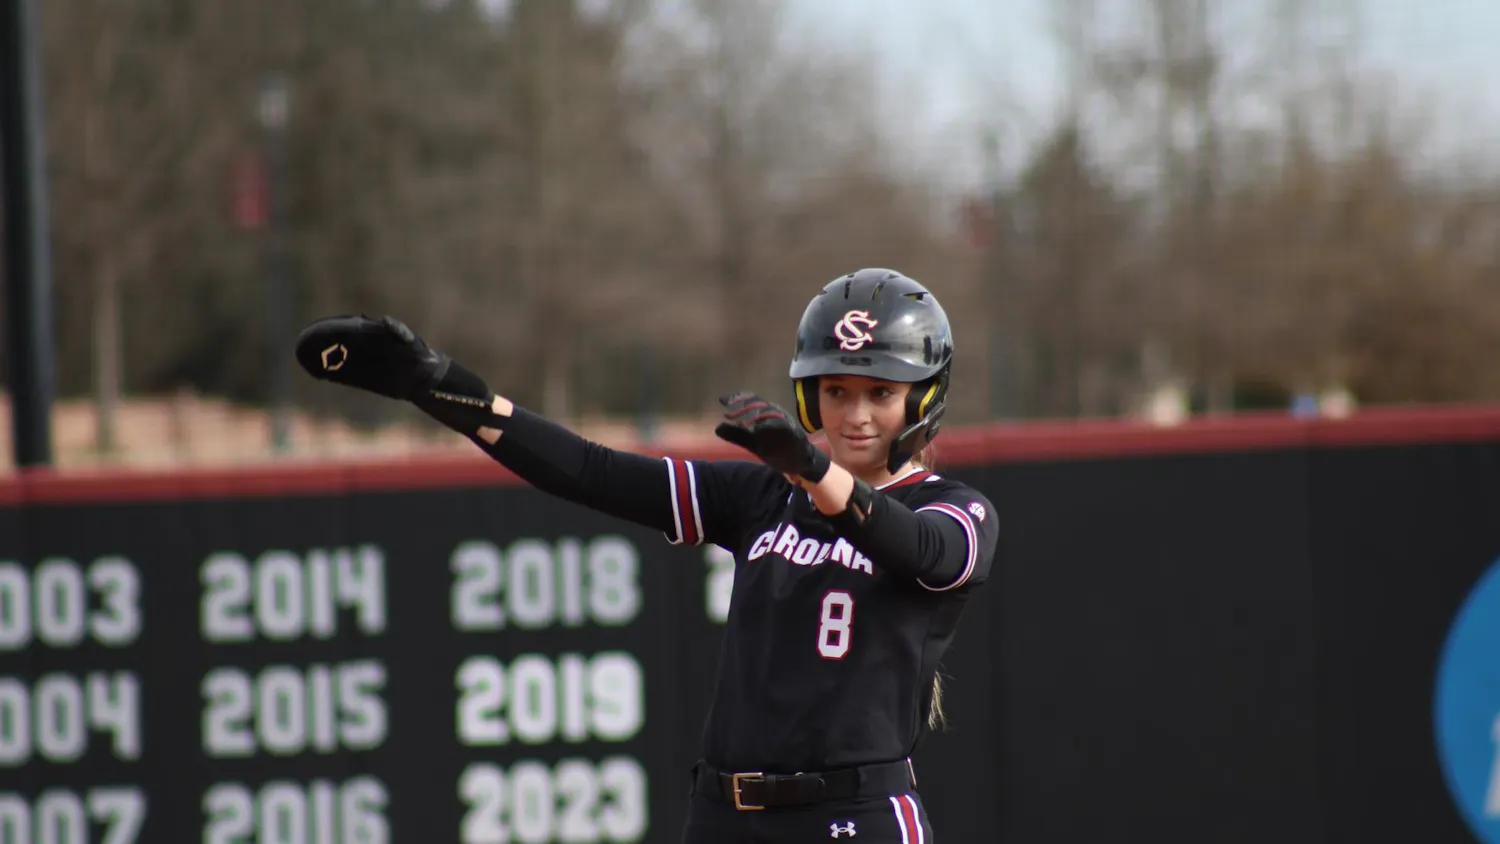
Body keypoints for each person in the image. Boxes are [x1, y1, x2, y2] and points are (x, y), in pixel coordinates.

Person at [294, 267, 999, 843]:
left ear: (924, 399)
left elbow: (927, 552)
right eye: (836, 389)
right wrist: (444, 389)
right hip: (727, 815)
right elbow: (594, 472)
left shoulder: (954, 507)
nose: (856, 413)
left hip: (855, 817)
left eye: (881, 391)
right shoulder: (763, 495)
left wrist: (816, 475)